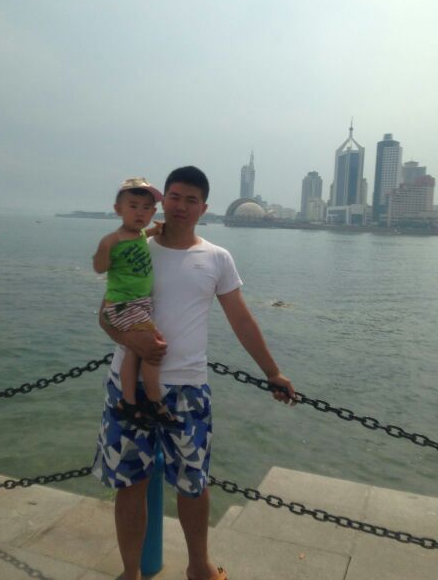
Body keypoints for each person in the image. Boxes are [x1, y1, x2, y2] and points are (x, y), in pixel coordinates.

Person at [92, 166, 296, 580]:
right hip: (128, 386)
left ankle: (199, 566)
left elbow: (241, 319)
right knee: (130, 484)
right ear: (162, 201)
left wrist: (272, 371)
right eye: (175, 197)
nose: (181, 206)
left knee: (193, 484)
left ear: (204, 208)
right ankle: (131, 572)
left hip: (187, 389)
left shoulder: (217, 258)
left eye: (191, 200)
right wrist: (133, 342)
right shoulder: (137, 246)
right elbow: (106, 314)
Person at [92, 177, 175, 427]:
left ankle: (127, 402)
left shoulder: (139, 234)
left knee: (135, 351)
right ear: (118, 209)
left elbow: (141, 236)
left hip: (139, 304)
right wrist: (104, 249)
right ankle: (154, 400)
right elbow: (99, 268)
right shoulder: (113, 240)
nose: (140, 212)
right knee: (153, 348)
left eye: (147, 208)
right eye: (133, 206)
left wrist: (156, 231)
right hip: (124, 305)